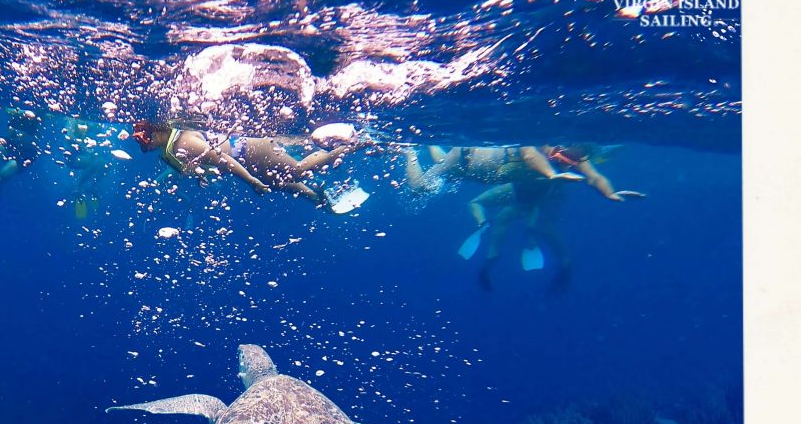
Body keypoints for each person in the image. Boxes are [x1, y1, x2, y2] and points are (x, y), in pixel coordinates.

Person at [130, 120, 362, 210]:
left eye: (145, 139)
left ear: (157, 130)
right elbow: (201, 164)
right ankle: (317, 198)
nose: (145, 146)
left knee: (296, 172)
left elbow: (224, 160)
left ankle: (349, 146)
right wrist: (202, 175)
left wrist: (251, 181)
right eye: (140, 143)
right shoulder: (169, 148)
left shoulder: (184, 141)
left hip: (252, 151)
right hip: (247, 158)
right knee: (281, 183)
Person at [404, 143, 645, 202]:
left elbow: (594, 177)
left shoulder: (573, 158)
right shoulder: (540, 142)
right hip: (468, 158)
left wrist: (609, 193)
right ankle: (408, 149)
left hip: (472, 171)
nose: (566, 162)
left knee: (442, 163)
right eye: (563, 156)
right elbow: (529, 155)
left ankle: (430, 141)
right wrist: (551, 175)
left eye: (573, 160)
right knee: (419, 188)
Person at [459, 178, 573, 293]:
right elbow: (537, 200)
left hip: (528, 188)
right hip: (536, 189)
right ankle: (564, 264)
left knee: (495, 212)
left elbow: (538, 198)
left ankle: (487, 242)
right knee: (531, 221)